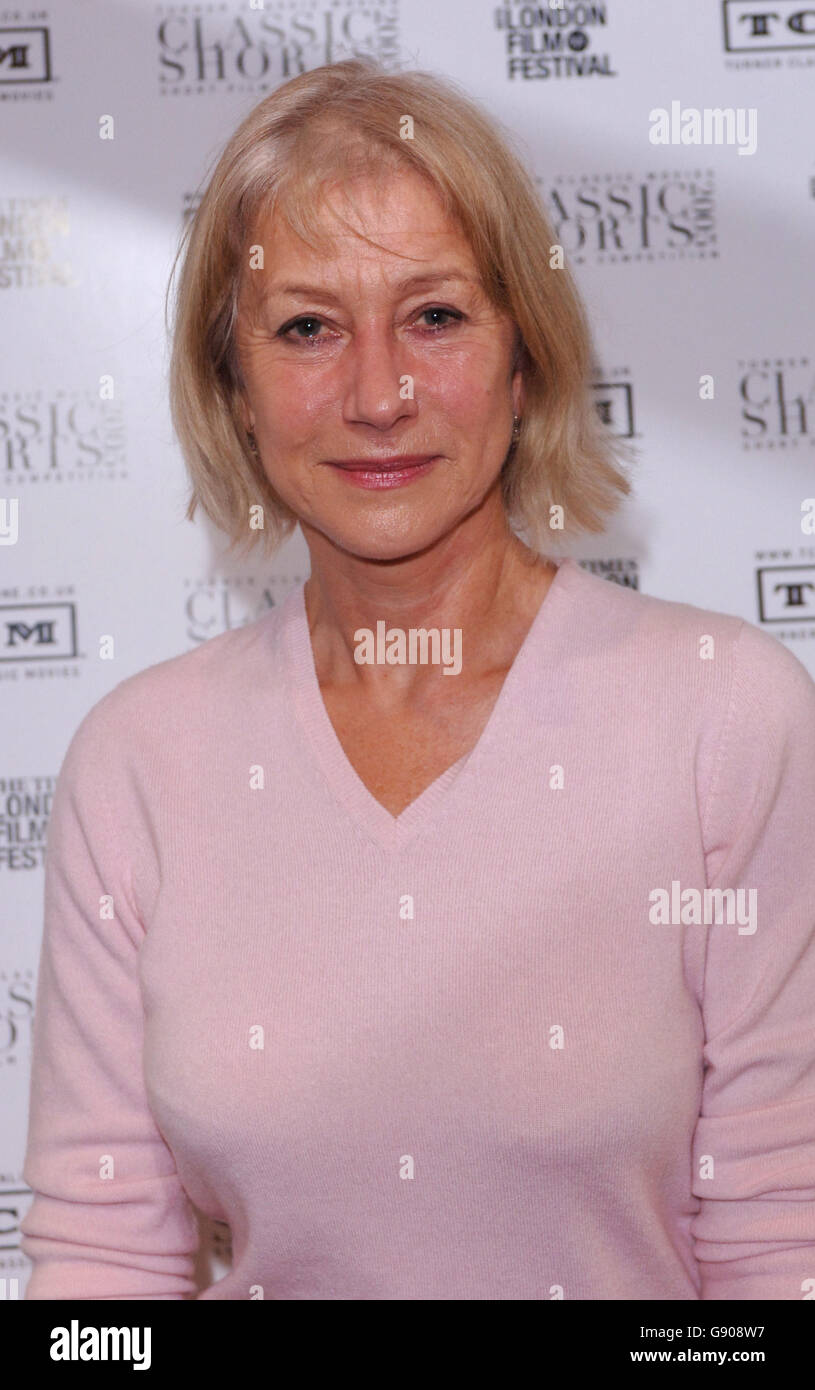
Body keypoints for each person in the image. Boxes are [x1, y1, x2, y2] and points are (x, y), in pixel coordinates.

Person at [20, 58, 815, 1301]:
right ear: (234, 390)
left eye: (434, 316)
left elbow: (781, 1246)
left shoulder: (728, 718)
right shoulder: (140, 762)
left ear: (523, 357)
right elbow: (94, 1282)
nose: (378, 393)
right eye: (305, 328)